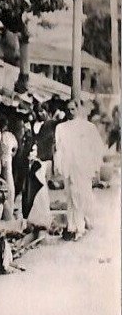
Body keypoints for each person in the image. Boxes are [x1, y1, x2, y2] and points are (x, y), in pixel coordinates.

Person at [54, 100, 105, 241]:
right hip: (69, 167)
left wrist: (93, 167)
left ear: (78, 109)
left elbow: (96, 147)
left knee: (81, 196)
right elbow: (58, 148)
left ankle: (81, 226)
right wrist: (60, 166)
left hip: (82, 168)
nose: (70, 112)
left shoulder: (87, 127)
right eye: (68, 109)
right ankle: (72, 227)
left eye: (73, 109)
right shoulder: (61, 127)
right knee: (70, 196)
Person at [0, 115, 18, 220]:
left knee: (7, 181)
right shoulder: (11, 135)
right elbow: (15, 147)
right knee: (9, 181)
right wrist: (11, 154)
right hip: (8, 158)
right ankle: (9, 206)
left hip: (4, 159)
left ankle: (8, 207)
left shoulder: (2, 136)